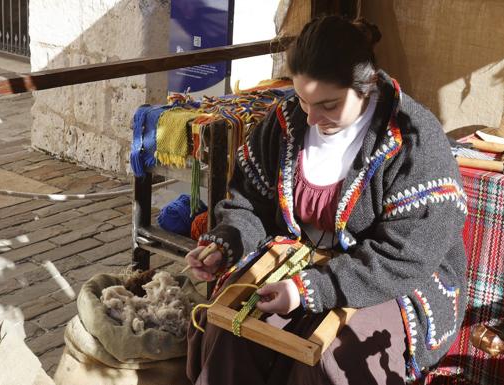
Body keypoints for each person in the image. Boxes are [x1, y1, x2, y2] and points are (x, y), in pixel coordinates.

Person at [185, 15, 467, 385]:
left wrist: (310, 289)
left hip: (395, 278)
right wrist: (226, 243)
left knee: (330, 360)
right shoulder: (285, 120)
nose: (313, 118)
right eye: (303, 100)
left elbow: (406, 255)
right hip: (298, 265)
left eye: (329, 105)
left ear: (365, 86)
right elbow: (249, 202)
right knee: (231, 333)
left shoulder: (414, 140)